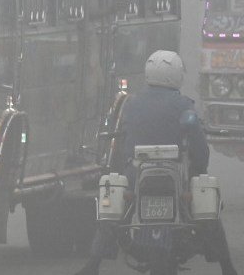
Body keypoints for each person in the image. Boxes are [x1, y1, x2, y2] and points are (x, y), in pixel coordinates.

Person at [76, 50, 237, 275]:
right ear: (176, 75)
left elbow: (123, 144)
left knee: (112, 209)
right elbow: (199, 148)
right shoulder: (184, 105)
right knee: (208, 200)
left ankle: (93, 264)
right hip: (176, 172)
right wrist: (199, 169)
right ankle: (227, 267)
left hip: (136, 172)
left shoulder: (132, 104)